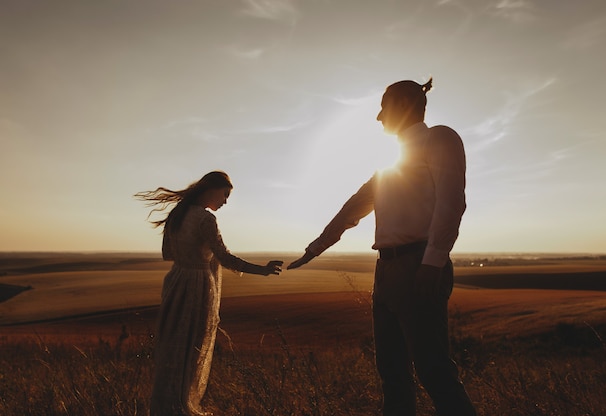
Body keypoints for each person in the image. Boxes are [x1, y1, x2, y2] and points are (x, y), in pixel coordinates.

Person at [288, 78, 476, 416]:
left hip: (418, 265)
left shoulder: (439, 138)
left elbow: (451, 204)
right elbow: (354, 207)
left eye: (383, 106)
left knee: (434, 371)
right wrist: (315, 249)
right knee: (392, 374)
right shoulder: (390, 162)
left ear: (403, 104)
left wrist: (432, 263)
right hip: (385, 272)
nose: (378, 117)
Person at [135, 171, 283, 416]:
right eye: (225, 194)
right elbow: (225, 257)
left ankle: (167, 406)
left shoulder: (177, 215)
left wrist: (190, 257)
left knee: (173, 346)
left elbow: (168, 253)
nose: (225, 201)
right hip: (198, 286)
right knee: (192, 347)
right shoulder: (206, 219)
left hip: (175, 282)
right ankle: (181, 406)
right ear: (212, 189)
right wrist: (262, 270)